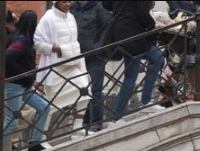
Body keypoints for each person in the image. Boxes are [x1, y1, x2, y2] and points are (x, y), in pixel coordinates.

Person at [103, 1, 165, 122]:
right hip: (134, 35)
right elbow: (142, 12)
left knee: (156, 59)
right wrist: (152, 25)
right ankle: (118, 116)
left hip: (122, 32)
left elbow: (106, 4)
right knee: (131, 75)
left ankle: (144, 102)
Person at [3, 11, 53, 151]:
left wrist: (27, 76)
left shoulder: (23, 38)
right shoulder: (22, 40)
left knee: (44, 107)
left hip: (24, 85)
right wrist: (24, 73)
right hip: (15, 84)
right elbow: (6, 58)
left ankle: (35, 143)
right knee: (11, 119)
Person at [34, 0, 89, 123]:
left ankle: (78, 129)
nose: (68, 4)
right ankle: (41, 137)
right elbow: (38, 44)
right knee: (51, 103)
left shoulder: (71, 17)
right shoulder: (48, 19)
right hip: (55, 68)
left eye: (69, 1)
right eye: (64, 1)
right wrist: (58, 49)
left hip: (72, 65)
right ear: (56, 2)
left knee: (85, 91)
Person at [71, 1, 113, 134]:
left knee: (95, 89)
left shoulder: (99, 7)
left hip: (95, 56)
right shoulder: (72, 8)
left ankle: (96, 123)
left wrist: (98, 46)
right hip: (77, 56)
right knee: (83, 90)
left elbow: (108, 27)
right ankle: (84, 121)